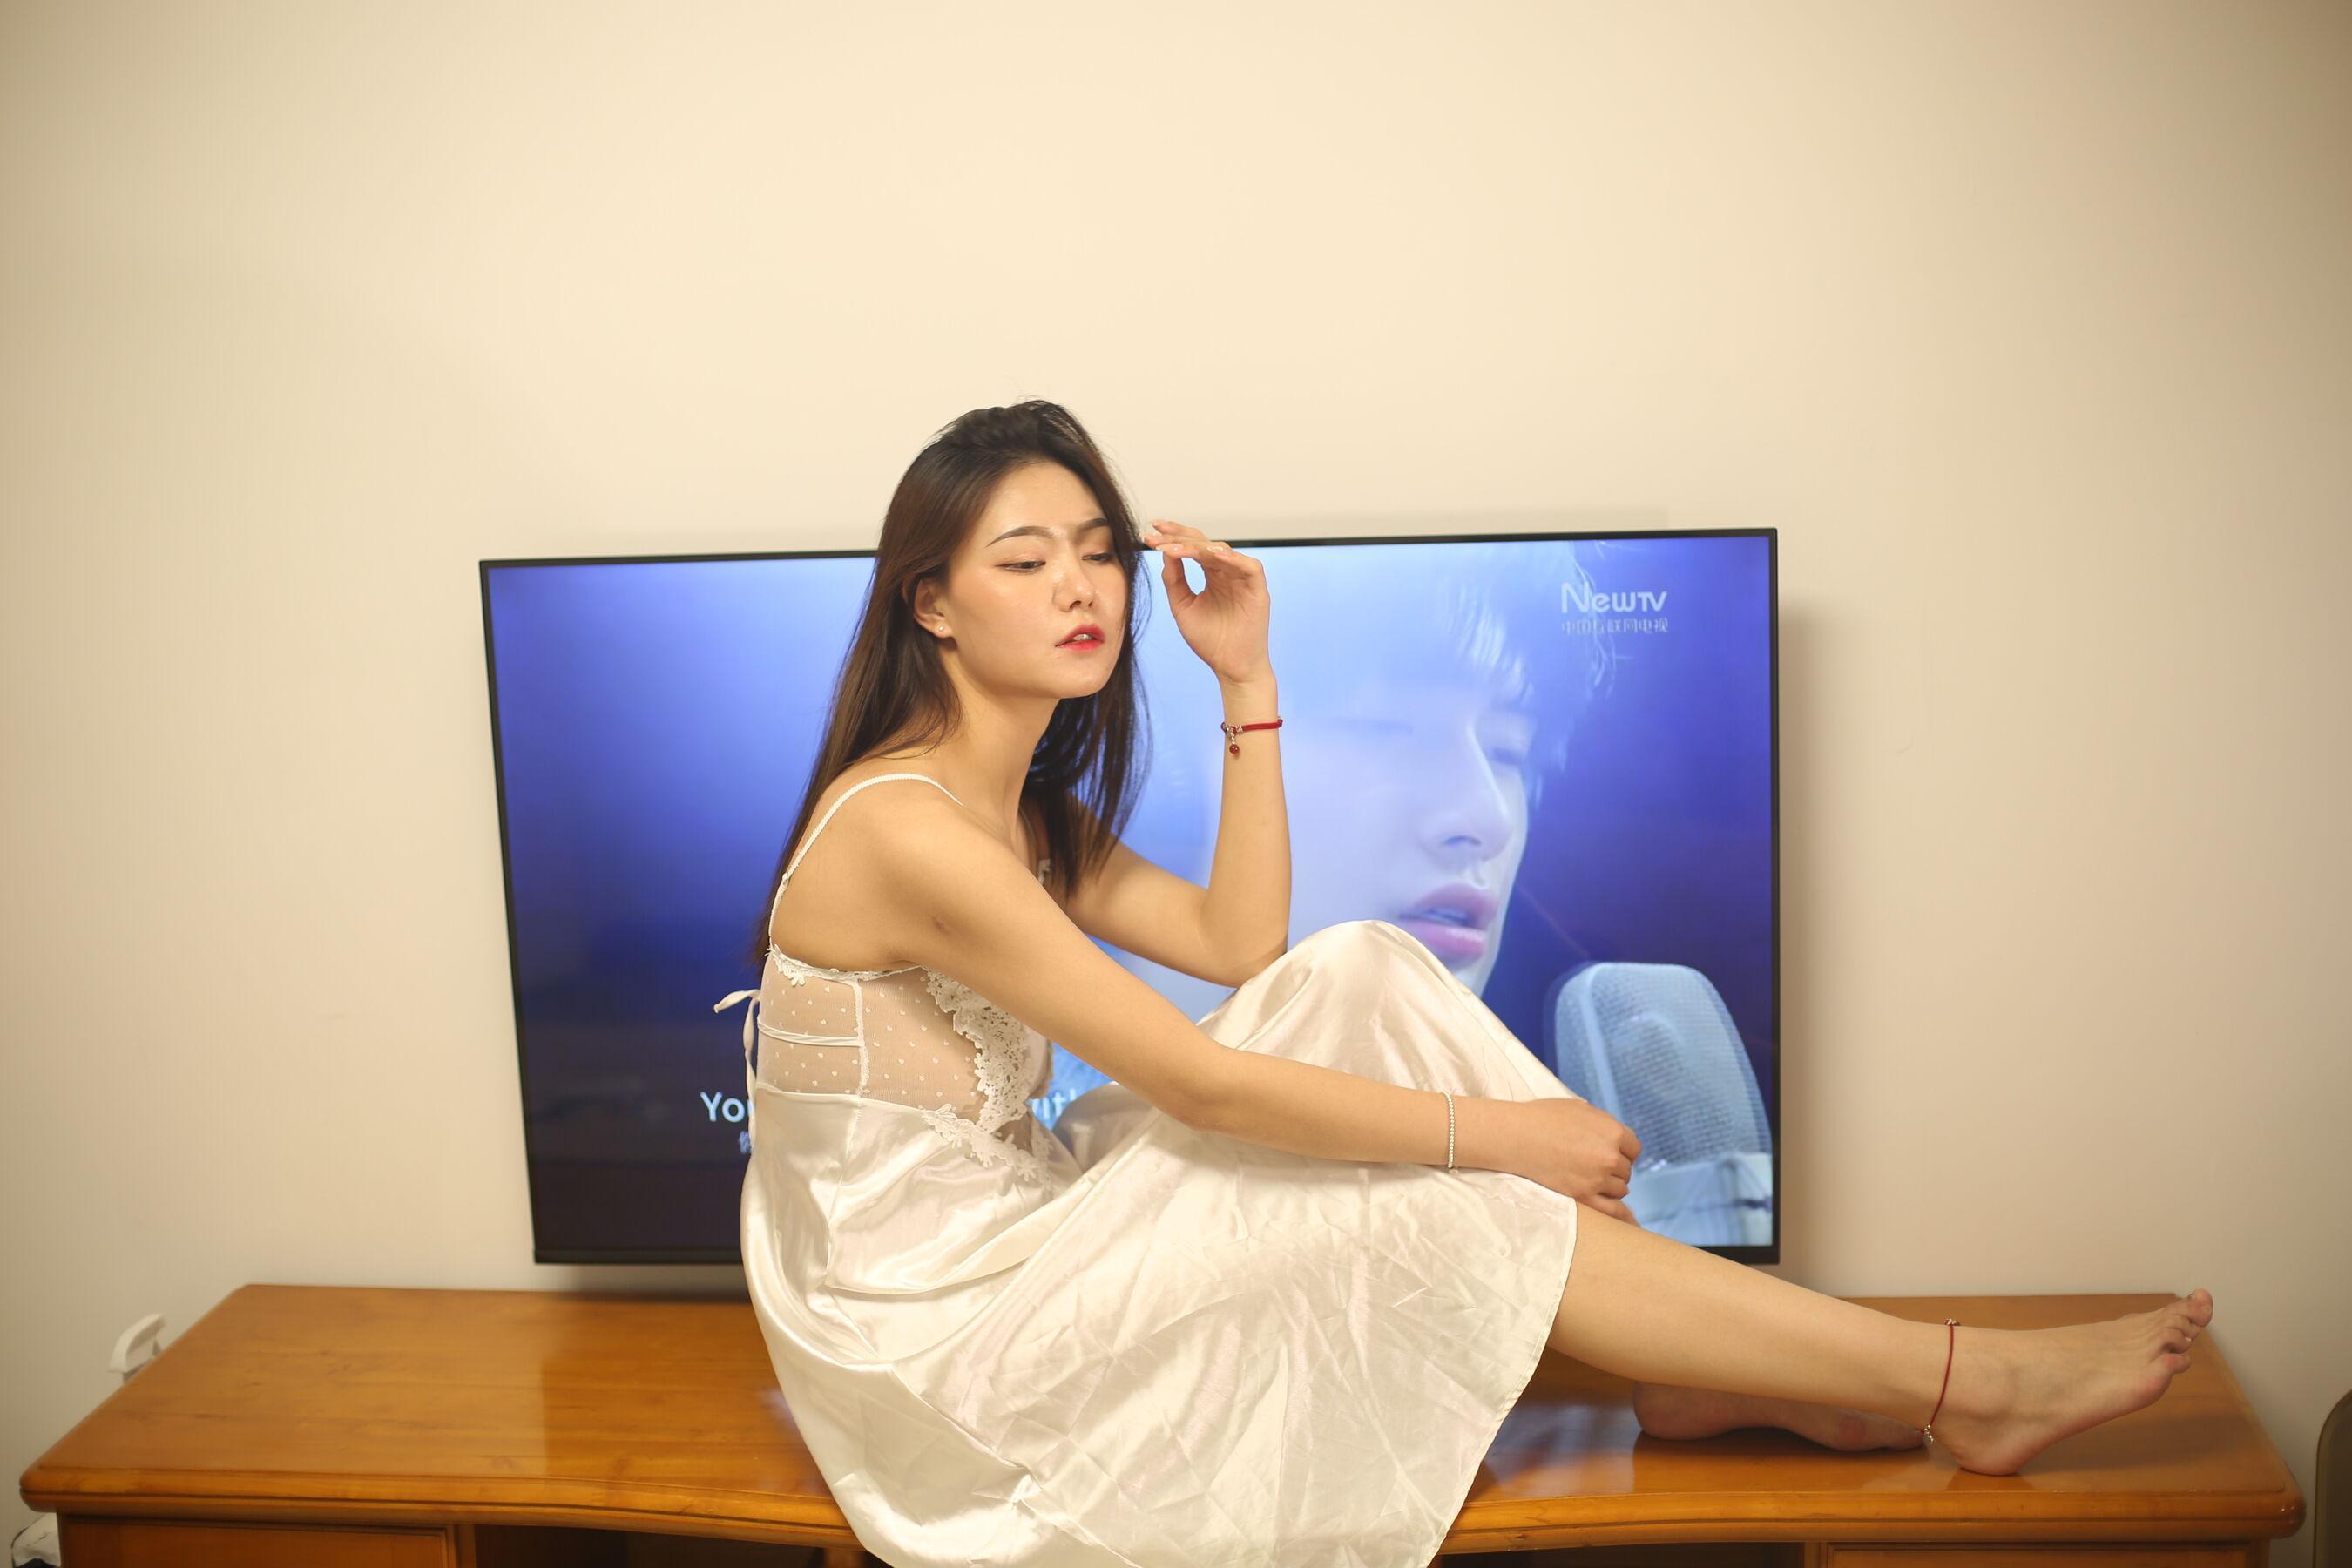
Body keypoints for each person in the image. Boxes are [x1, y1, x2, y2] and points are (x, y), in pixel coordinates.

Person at [717, 401, 2211, 1567]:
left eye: (1097, 550)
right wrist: (1508, 1139)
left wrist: (1247, 679)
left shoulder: (1024, 814)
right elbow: (1197, 1080)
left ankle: (1703, 1366)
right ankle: (1959, 1381)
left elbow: (1244, 946)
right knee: (1436, 1197)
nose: (1080, 586)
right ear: (932, 603)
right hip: (940, 1345)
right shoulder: (909, 831)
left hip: (1022, 1242)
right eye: (1025, 560)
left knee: (1362, 964)